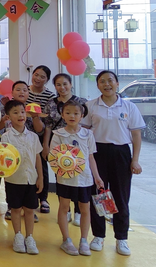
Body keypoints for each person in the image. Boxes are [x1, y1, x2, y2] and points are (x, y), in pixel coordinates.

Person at [82, 71, 144, 256]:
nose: (106, 84)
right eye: (102, 81)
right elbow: (83, 131)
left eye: (110, 80)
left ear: (117, 83)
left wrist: (135, 160)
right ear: (98, 85)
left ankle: (121, 238)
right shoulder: (91, 106)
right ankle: (98, 235)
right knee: (98, 194)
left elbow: (136, 135)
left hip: (121, 153)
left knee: (121, 196)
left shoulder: (129, 106)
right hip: (97, 153)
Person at [51, 99, 103, 256]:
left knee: (85, 208)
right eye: (68, 113)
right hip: (65, 178)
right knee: (64, 207)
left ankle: (84, 240)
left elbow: (91, 157)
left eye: (76, 113)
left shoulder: (88, 134)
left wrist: (97, 177)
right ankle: (66, 240)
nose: (72, 116)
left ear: (82, 116)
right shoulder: (58, 134)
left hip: (85, 178)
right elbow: (53, 157)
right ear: (62, 115)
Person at [42, 73, 87, 226]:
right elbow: (48, 126)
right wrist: (46, 145)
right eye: (58, 84)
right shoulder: (51, 103)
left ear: (71, 84)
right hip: (59, 145)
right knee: (61, 175)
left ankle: (78, 211)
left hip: (78, 146)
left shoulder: (81, 102)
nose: (62, 87)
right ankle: (65, 210)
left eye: (65, 84)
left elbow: (87, 124)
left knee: (78, 177)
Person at [0, 100, 43, 255]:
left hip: (31, 178)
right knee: (16, 209)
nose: (20, 115)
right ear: (8, 116)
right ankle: (18, 235)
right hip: (14, 179)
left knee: (30, 210)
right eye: (15, 112)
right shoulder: (6, 137)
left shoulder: (33, 136)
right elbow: (2, 158)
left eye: (23, 112)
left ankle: (30, 237)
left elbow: (37, 158)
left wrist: (40, 178)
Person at [27, 65, 55, 214]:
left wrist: (45, 144)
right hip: (24, 134)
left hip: (40, 134)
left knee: (42, 166)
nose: (37, 78)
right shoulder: (24, 90)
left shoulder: (50, 96)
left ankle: (43, 198)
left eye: (42, 77)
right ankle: (27, 197)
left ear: (47, 80)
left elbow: (48, 121)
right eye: (36, 74)